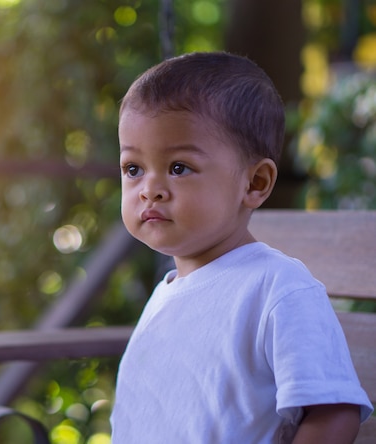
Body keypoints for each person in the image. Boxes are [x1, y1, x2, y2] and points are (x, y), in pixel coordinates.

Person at [110, 52, 373, 443]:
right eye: (133, 169)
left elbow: (334, 413)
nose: (150, 189)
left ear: (255, 183)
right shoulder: (165, 296)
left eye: (179, 167)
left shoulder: (277, 289)